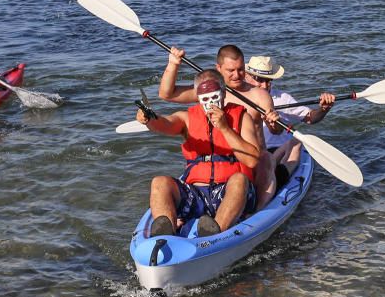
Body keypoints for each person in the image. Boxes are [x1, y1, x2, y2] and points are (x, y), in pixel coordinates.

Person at [138, 69, 260, 238]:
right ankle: (166, 233)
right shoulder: (187, 118)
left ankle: (215, 233)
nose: (210, 102)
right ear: (197, 97)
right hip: (196, 193)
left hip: (230, 192)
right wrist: (150, 119)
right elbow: (166, 124)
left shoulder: (241, 117)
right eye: (205, 98)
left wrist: (225, 128)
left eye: (215, 95)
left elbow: (253, 160)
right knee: (159, 182)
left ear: (224, 93)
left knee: (239, 180)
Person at [159, 44, 279, 207]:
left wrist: (273, 121)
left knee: (266, 157)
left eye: (241, 69)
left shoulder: (259, 96)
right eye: (231, 70)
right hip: (218, 160)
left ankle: (258, 211)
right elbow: (167, 94)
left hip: (250, 159)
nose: (237, 75)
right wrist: (173, 64)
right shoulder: (208, 91)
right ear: (219, 68)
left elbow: (275, 130)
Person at [244, 55, 335, 191]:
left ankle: (277, 178)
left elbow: (310, 118)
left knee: (296, 141)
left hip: (278, 152)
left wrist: (323, 109)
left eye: (269, 80)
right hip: (249, 153)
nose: (265, 85)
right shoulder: (236, 96)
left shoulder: (283, 99)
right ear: (247, 76)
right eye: (259, 80)